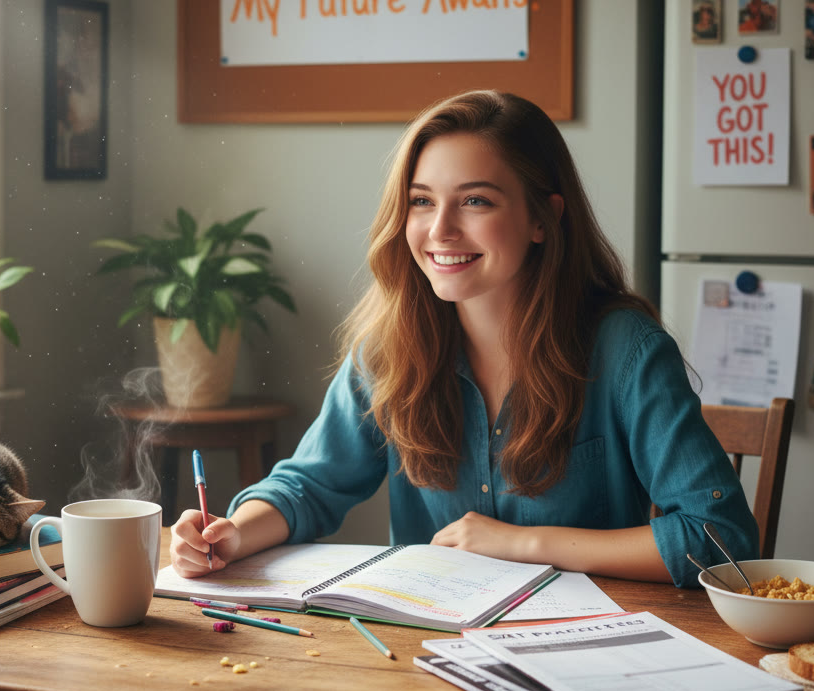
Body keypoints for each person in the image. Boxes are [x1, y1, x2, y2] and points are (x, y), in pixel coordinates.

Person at [170, 90, 758, 590]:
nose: (440, 229)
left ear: (541, 219)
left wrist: (522, 543)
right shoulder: (387, 348)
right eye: (422, 201)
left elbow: (720, 537)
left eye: (475, 201)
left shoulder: (626, 349)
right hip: (431, 649)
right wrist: (234, 534)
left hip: (587, 649)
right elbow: (310, 485)